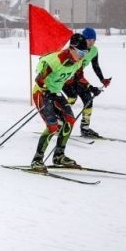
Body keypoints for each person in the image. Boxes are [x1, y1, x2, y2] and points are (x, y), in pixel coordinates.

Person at [30, 33, 89, 171]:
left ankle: (59, 156)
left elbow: (78, 78)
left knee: (70, 120)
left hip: (55, 92)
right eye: (81, 52)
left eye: (85, 52)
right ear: (72, 48)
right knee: (52, 126)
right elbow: (39, 80)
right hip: (41, 92)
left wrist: (91, 88)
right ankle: (37, 160)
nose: (83, 55)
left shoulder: (78, 61)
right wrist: (46, 92)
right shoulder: (55, 61)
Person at [62, 27, 111, 138]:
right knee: (72, 98)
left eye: (93, 40)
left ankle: (85, 128)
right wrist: (90, 87)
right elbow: (74, 71)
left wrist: (102, 79)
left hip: (78, 76)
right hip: (67, 77)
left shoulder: (94, 50)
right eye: (89, 40)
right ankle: (59, 122)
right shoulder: (76, 49)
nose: (91, 43)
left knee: (88, 100)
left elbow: (95, 66)